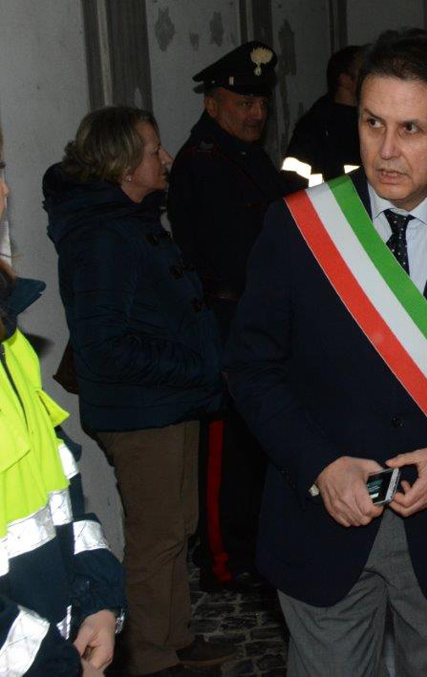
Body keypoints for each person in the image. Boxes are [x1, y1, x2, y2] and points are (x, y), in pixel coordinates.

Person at [225, 28, 427, 677]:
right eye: (372, 123)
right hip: (323, 522)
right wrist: (319, 465)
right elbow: (250, 368)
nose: (387, 150)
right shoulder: (299, 227)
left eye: (411, 129)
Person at [43, 107, 232, 676]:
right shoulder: (102, 235)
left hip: (170, 402)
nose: (166, 158)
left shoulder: (129, 219)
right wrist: (197, 366)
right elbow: (105, 346)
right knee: (156, 538)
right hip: (142, 411)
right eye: (154, 150)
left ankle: (174, 637)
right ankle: (150, 658)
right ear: (125, 165)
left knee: (178, 528)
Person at [1, 128, 127, 677]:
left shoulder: (10, 338)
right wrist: (56, 666)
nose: (6, 191)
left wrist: (97, 599)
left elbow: (59, 498)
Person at [168, 41, 283, 593]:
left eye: (261, 102)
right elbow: (227, 253)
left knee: (253, 441)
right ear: (212, 104)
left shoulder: (247, 156)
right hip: (224, 318)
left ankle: (251, 546)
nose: (256, 113)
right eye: (243, 103)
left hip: (255, 316)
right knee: (224, 448)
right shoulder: (203, 162)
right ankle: (221, 559)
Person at [283, 45, 364, 184]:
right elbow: (292, 182)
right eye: (363, 72)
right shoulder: (315, 126)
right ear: (344, 79)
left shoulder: (372, 120)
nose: (371, 77)